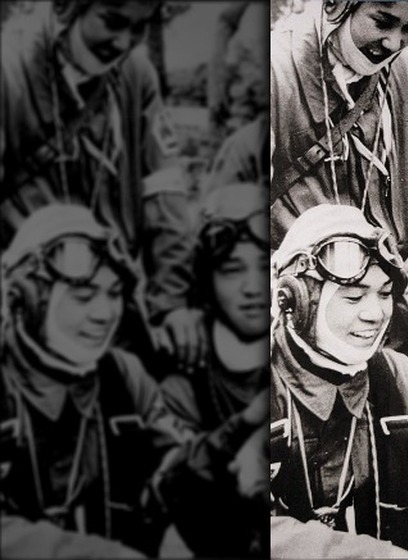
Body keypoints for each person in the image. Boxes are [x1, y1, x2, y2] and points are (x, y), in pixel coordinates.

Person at [0, 204, 258, 558]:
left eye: (113, 293)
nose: (104, 313)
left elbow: (167, 478)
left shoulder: (123, 374)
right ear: (27, 299)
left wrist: (231, 440)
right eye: (84, 295)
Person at [269, 1, 408, 374]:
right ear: (336, 5)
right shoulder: (273, 70)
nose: (395, 42)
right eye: (383, 21)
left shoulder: (407, 75)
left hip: (382, 307)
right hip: (296, 309)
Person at [0, 0, 205, 373]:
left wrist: (170, 302)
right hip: (28, 309)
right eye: (112, 21)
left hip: (114, 303)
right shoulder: (9, 68)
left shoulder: (135, 73)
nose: (124, 41)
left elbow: (165, 192)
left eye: (139, 27)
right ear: (66, 8)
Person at [269, 204, 408, 558]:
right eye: (353, 297)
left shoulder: (395, 375)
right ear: (298, 300)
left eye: (384, 294)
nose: (374, 314)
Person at [157, 183, 269, 558]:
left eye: (264, 268)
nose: (254, 287)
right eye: (232, 270)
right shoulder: (182, 379)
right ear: (206, 279)